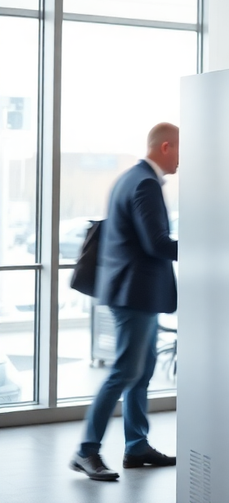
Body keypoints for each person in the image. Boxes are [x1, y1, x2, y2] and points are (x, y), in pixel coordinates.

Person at [71, 123, 180, 481]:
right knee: (125, 372)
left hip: (132, 292)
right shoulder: (145, 183)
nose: (184, 158)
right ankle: (87, 451)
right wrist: (202, 245)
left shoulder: (129, 178)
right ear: (166, 147)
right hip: (134, 294)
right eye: (182, 149)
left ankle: (136, 446)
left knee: (141, 371)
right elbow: (157, 244)